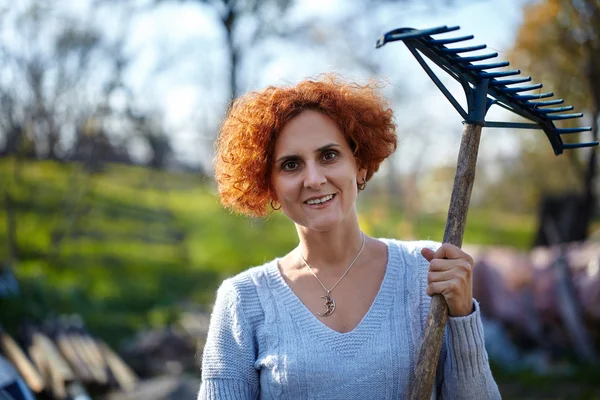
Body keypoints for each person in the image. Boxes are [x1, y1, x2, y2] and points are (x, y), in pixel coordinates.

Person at [198, 74, 501, 399]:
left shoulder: (427, 273)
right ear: (268, 183)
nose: (313, 179)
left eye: (329, 155)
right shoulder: (244, 301)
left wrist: (462, 316)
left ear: (360, 166)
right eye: (290, 165)